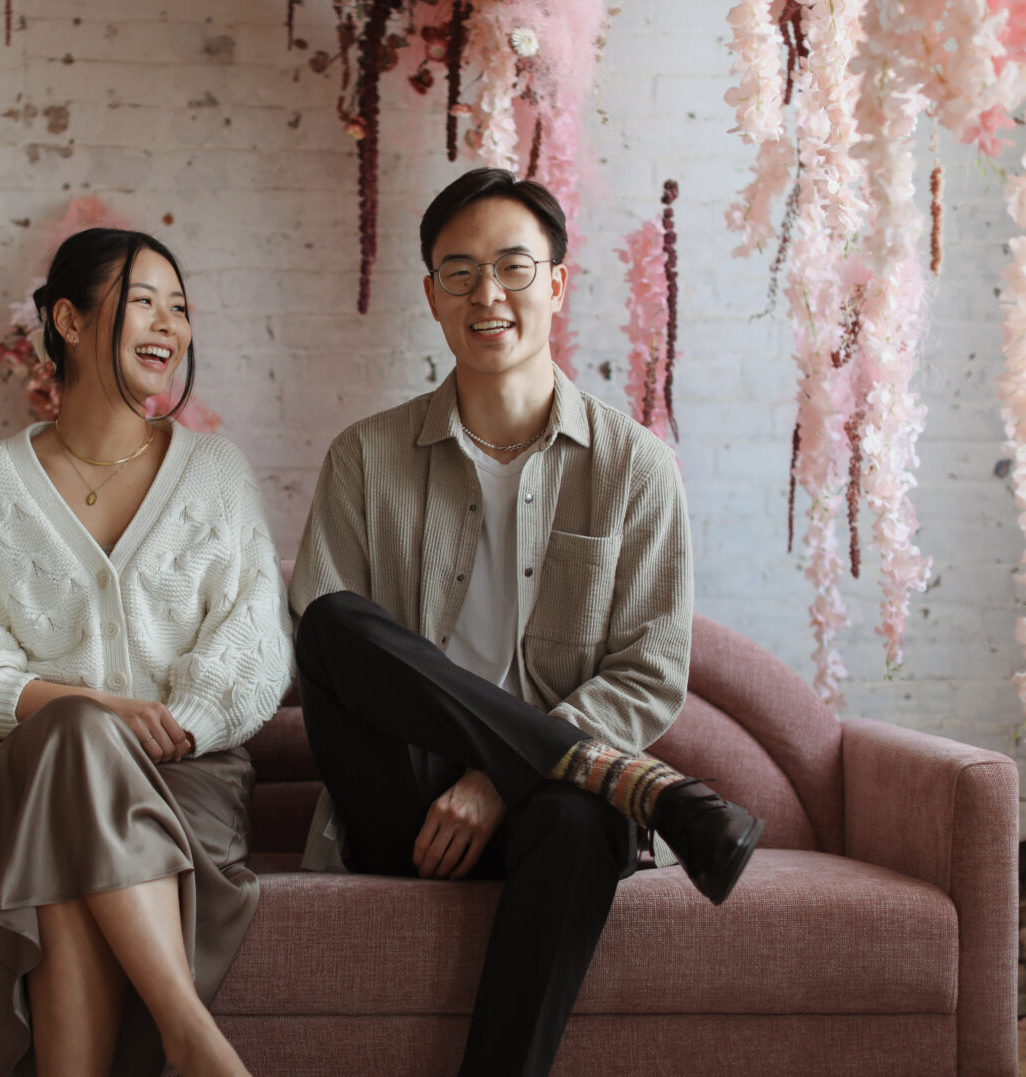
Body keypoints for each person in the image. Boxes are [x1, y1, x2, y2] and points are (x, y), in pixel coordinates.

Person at [289, 168, 764, 1077]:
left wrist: (502, 775)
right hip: (404, 799)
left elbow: (650, 670)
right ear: (431, 295)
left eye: (512, 266)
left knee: (582, 818)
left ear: (556, 281)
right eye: (459, 272)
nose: (487, 294)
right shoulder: (364, 455)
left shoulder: (634, 467)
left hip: (561, 807)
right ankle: (657, 793)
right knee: (331, 623)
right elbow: (333, 657)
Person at [0, 227, 292, 1077]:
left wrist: (176, 723)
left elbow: (256, 641)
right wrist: (93, 715)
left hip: (182, 778)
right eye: (144, 300)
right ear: (69, 321)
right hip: (24, 775)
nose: (170, 323)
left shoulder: (216, 474)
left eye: (181, 305)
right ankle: (189, 1036)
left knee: (68, 861)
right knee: (71, 741)